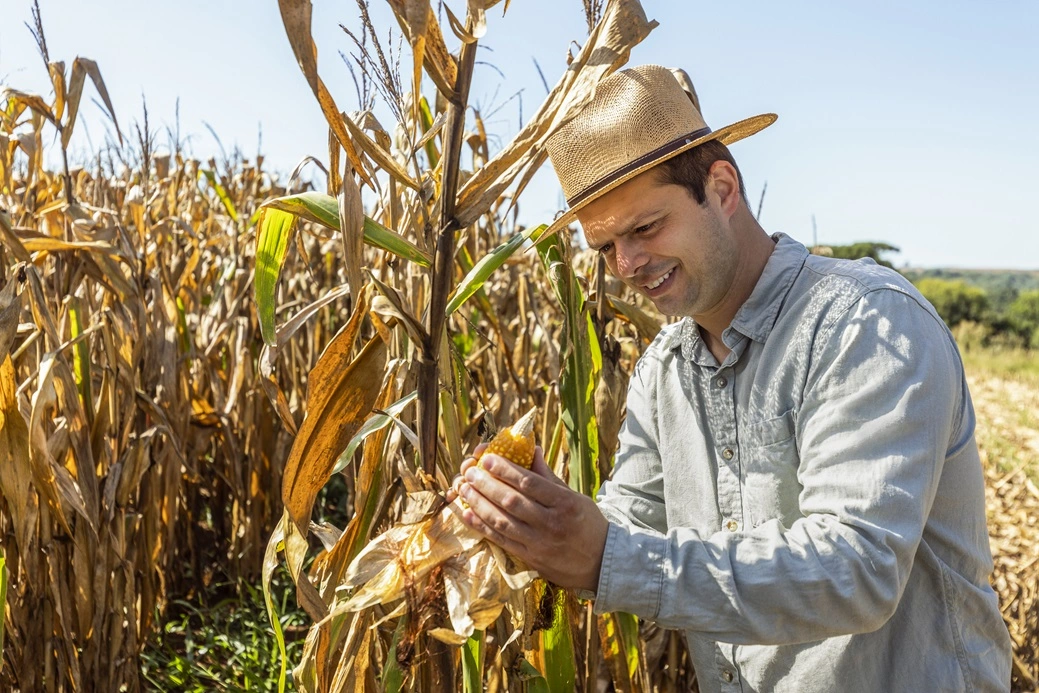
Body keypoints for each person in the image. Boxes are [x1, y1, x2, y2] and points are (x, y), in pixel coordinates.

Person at [453, 64, 1011, 691]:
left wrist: (604, 557)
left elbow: (859, 570)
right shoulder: (664, 370)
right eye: (605, 247)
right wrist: (537, 522)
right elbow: (632, 522)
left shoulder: (867, 325)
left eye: (644, 228)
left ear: (721, 187)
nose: (627, 265)